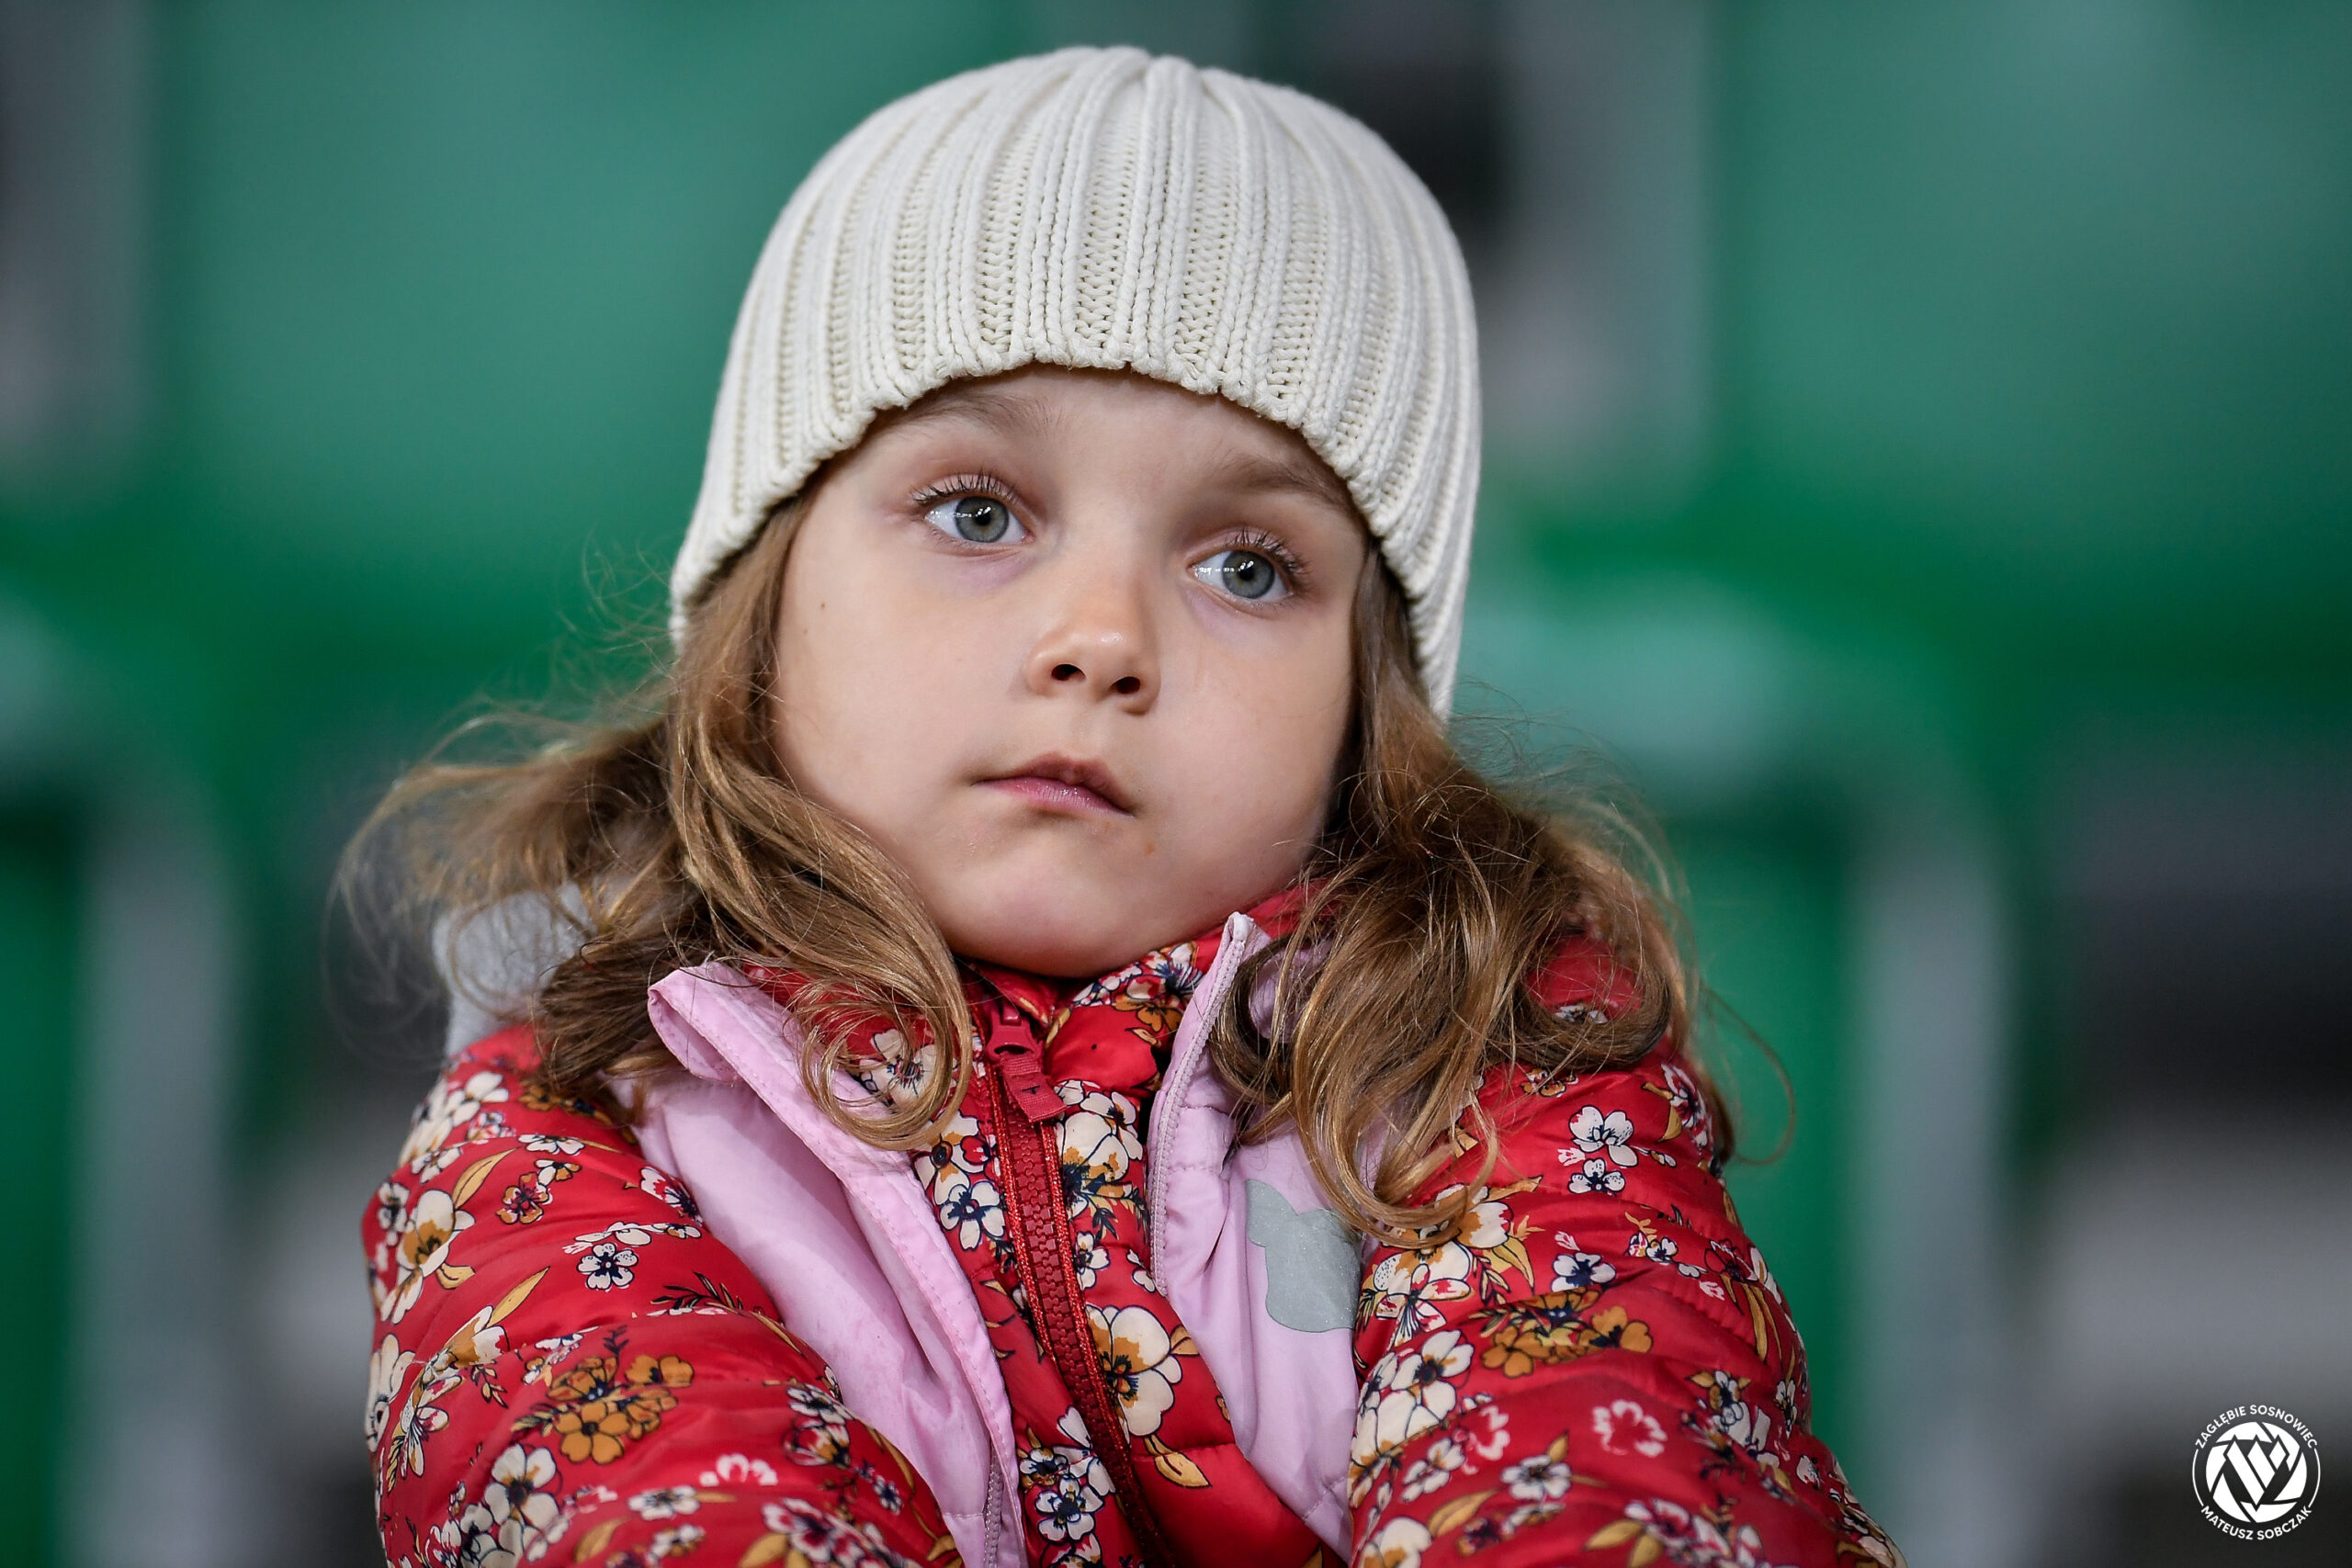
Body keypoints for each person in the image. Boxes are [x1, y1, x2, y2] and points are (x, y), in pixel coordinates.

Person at [356, 46, 1901, 1568]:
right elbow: (655, 1509)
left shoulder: (1498, 1055)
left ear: (1364, 704)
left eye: (1249, 567)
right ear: (764, 601)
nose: (1101, 638)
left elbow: (1607, 1448)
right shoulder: (573, 1112)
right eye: (978, 513)